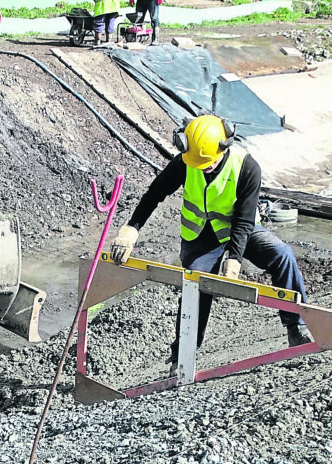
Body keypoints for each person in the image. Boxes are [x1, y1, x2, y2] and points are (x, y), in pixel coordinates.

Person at [109, 115, 312, 368]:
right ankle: (182, 355)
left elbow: (244, 220)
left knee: (282, 255)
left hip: (240, 230)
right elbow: (155, 193)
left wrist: (234, 260)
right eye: (199, 162)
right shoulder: (186, 161)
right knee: (196, 283)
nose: (204, 167)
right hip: (200, 236)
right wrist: (132, 227)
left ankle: (297, 326)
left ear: (224, 147)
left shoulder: (247, 167)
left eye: (209, 162)